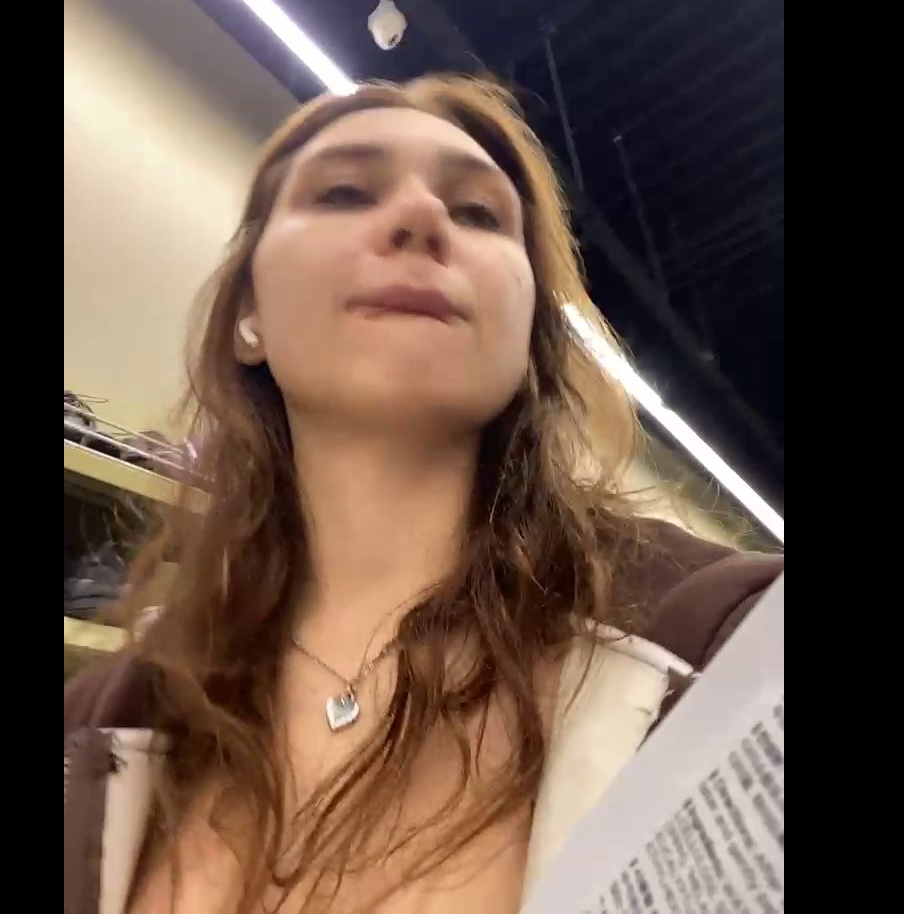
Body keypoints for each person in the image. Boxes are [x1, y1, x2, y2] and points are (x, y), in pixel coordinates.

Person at [64, 75, 782, 914]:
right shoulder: (98, 722)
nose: (421, 217)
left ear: (529, 335)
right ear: (248, 313)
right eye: (343, 192)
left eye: (479, 213)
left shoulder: (735, 646)